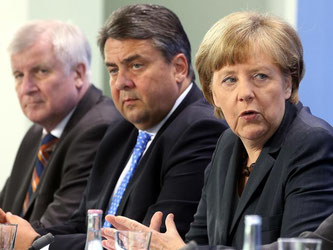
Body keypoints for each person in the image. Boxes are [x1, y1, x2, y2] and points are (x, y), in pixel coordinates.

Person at [0, 4, 227, 250]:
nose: (120, 83)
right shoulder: (122, 128)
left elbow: (145, 241)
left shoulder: (201, 129)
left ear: (179, 68)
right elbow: (83, 223)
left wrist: (38, 245)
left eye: (136, 66)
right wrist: (18, 234)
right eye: (113, 69)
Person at [100, 11, 333, 250]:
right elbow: (199, 240)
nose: (244, 93)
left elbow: (299, 248)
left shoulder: (311, 142)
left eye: (260, 76)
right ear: (212, 94)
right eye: (230, 80)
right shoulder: (228, 144)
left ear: (287, 84)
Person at [0, 20, 121, 228]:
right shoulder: (36, 132)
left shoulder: (98, 127)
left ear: (78, 74)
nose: (26, 87)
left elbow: (56, 229)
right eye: (19, 75)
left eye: (40, 71)